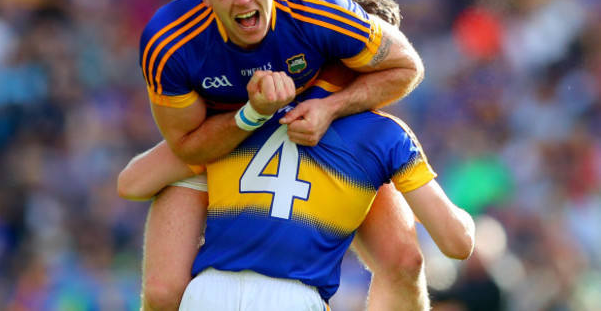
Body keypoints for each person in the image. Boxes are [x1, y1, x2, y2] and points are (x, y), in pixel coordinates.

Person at [135, 0, 426, 310]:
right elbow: (181, 149)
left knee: (405, 260)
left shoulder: (317, 9)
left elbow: (407, 67)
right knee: (162, 291)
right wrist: (253, 114)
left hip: (314, 128)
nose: (242, 0)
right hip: (218, 140)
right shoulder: (169, 40)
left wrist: (329, 107)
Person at [119, 65, 475, 310]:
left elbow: (131, 183)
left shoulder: (243, 108)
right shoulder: (386, 135)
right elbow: (456, 243)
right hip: (294, 298)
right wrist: (470, 223)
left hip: (207, 293)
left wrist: (236, 126)